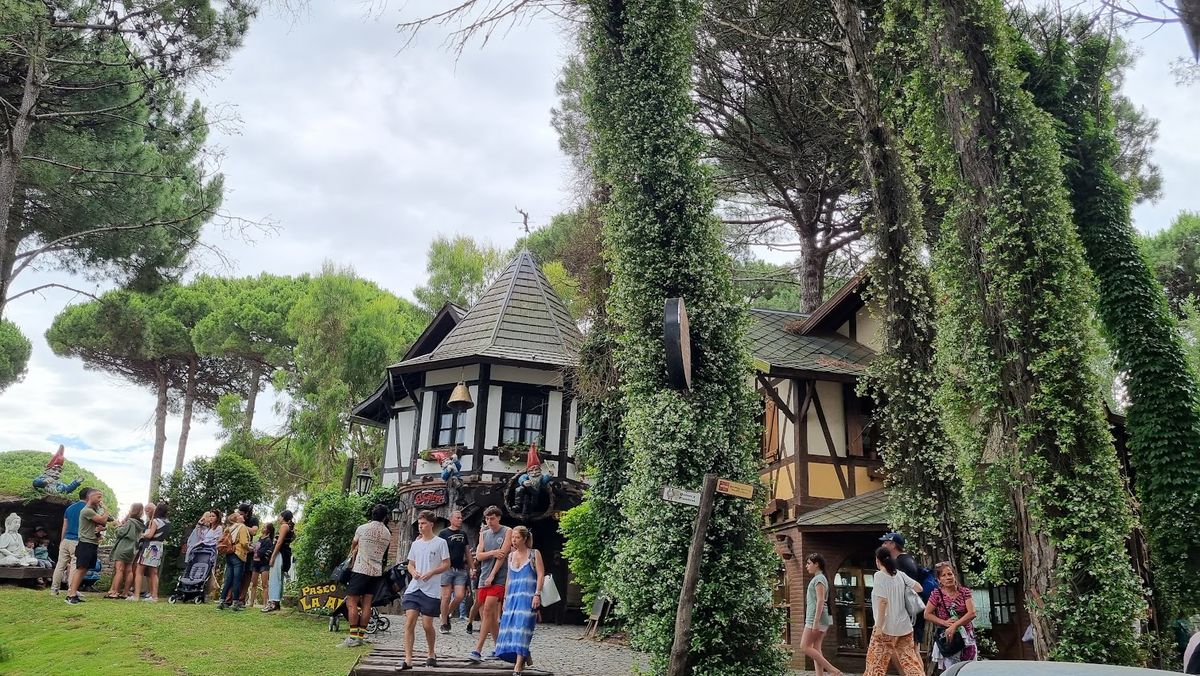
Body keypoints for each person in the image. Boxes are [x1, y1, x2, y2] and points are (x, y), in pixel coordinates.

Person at [338, 504, 394, 648]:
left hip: (360, 569)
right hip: (376, 572)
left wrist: (353, 553)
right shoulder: (387, 533)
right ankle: (361, 636)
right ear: (385, 517)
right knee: (367, 604)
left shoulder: (362, 528)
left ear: (372, 514)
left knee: (351, 603)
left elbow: (354, 543)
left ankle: (352, 637)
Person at [400, 510, 451, 667]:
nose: (420, 526)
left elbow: (446, 564)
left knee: (427, 624)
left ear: (431, 525)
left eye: (423, 524)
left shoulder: (440, 543)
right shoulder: (415, 544)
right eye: (419, 524)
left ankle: (431, 653)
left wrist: (432, 572)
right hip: (414, 588)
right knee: (410, 622)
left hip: (432, 590)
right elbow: (410, 564)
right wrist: (413, 571)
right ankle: (408, 659)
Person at [864, 546, 925, 676]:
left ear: (877, 560)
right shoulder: (900, 575)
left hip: (886, 628)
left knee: (875, 665)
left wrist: (878, 627)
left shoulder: (879, 576)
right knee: (910, 662)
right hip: (904, 627)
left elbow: (882, 602)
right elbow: (919, 588)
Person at [493, 525, 545, 674]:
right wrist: (505, 598)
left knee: (523, 629)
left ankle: (518, 664)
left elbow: (541, 574)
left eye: (517, 538)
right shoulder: (510, 556)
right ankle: (524, 656)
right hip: (513, 597)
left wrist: (537, 594)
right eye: (512, 538)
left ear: (524, 539)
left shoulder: (534, 554)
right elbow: (509, 577)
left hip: (528, 597)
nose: (513, 541)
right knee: (510, 629)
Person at [468, 505, 513, 663]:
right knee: (490, 616)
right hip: (483, 577)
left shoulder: (507, 531)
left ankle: (477, 649)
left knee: (488, 610)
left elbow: (503, 555)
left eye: (492, 518)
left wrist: (493, 575)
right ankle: (499, 647)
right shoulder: (484, 534)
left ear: (498, 518)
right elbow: (479, 556)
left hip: (498, 577)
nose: (489, 521)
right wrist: (492, 552)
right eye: (487, 519)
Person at [924, 562, 978, 671]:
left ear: (954, 575)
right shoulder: (937, 594)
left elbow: (972, 613)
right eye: (943, 575)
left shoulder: (964, 592)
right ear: (939, 580)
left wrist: (955, 625)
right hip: (948, 637)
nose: (948, 577)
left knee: (969, 668)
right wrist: (944, 623)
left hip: (966, 635)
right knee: (951, 669)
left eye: (950, 574)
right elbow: (927, 614)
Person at [65, 488, 113, 605]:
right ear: (90, 497)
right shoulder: (86, 511)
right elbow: (102, 520)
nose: (100, 500)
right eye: (98, 497)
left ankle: (74, 592)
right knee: (81, 568)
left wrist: (102, 527)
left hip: (92, 543)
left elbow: (102, 523)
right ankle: (71, 595)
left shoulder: (92, 511)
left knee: (85, 569)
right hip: (85, 543)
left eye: (101, 497)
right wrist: (106, 510)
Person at [880, 532, 927, 641]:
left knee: (905, 650)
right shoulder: (909, 559)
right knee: (911, 651)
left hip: (906, 613)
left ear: (893, 545)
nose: (883, 546)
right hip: (914, 610)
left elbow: (898, 590)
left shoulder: (899, 563)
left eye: (885, 543)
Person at [802, 553, 841, 676]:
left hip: (816, 619)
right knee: (816, 648)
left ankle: (832, 670)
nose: (806, 566)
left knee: (804, 646)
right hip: (821, 619)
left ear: (816, 564)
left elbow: (820, 600)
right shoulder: (821, 578)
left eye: (808, 563)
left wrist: (815, 622)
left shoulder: (819, 579)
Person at [438, 509, 473, 634]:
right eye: (458, 518)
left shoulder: (463, 534)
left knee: (459, 596)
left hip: (460, 569)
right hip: (447, 568)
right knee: (446, 596)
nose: (460, 520)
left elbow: (467, 552)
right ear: (451, 519)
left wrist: (472, 567)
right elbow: (438, 550)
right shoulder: (443, 533)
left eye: (461, 518)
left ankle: (445, 614)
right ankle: (444, 623)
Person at [49, 486, 88, 595]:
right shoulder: (87, 509)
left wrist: (62, 540)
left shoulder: (69, 508)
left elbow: (64, 526)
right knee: (75, 565)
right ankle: (72, 589)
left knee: (60, 565)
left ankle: (54, 589)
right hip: (77, 540)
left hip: (66, 540)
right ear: (89, 496)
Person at [105, 503, 145, 599]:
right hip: (132, 549)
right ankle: (125, 592)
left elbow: (120, 533)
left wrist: (119, 526)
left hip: (123, 547)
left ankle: (114, 592)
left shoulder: (130, 522)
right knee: (129, 570)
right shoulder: (140, 524)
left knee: (119, 569)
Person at [133, 501, 170, 603]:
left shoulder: (155, 521)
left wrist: (143, 535)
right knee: (154, 572)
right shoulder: (167, 522)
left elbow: (150, 535)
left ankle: (136, 595)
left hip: (150, 546)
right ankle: (154, 596)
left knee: (139, 570)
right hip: (159, 547)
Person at [261, 510, 294, 613]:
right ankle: (276, 602)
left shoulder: (284, 526)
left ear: (283, 517)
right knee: (278, 578)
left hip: (280, 554)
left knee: (275, 578)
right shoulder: (290, 528)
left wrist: (273, 556)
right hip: (284, 554)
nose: (278, 518)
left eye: (280, 516)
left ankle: (273, 602)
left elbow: (279, 542)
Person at [217, 512, 250, 610]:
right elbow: (244, 542)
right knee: (237, 579)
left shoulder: (229, 528)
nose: (241, 515)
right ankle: (235, 603)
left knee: (228, 579)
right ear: (237, 519)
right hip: (238, 553)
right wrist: (250, 548)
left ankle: (222, 601)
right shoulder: (242, 527)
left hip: (229, 553)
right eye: (239, 515)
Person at [235, 503, 259, 605]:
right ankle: (233, 597)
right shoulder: (236, 518)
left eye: (241, 513)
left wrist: (242, 525)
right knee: (237, 574)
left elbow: (254, 531)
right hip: (237, 550)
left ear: (246, 513)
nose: (240, 515)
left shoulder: (253, 520)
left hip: (248, 550)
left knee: (247, 574)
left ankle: (242, 598)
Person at [247, 522, 275, 607]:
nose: (263, 528)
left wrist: (253, 548)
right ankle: (251, 602)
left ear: (268, 530)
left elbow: (262, 552)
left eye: (265, 527)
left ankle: (265, 603)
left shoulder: (268, 541)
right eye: (263, 527)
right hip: (256, 563)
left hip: (264, 564)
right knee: (254, 583)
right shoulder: (259, 538)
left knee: (264, 584)